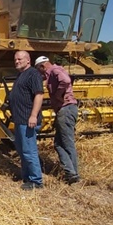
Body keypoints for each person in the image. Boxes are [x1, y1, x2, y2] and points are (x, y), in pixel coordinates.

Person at [35, 56, 80, 184]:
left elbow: (65, 81)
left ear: (43, 66)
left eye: (39, 70)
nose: (41, 73)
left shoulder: (54, 70)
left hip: (65, 109)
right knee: (59, 143)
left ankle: (73, 173)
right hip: (67, 110)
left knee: (66, 142)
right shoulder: (54, 72)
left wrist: (58, 95)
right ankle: (70, 171)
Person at [8, 51, 44, 190]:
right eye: (15, 59)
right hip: (19, 119)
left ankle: (36, 181)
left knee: (29, 151)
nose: (17, 61)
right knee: (22, 150)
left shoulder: (33, 74)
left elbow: (39, 95)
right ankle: (27, 177)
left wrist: (34, 115)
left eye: (20, 59)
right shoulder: (21, 75)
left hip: (27, 119)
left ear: (28, 60)